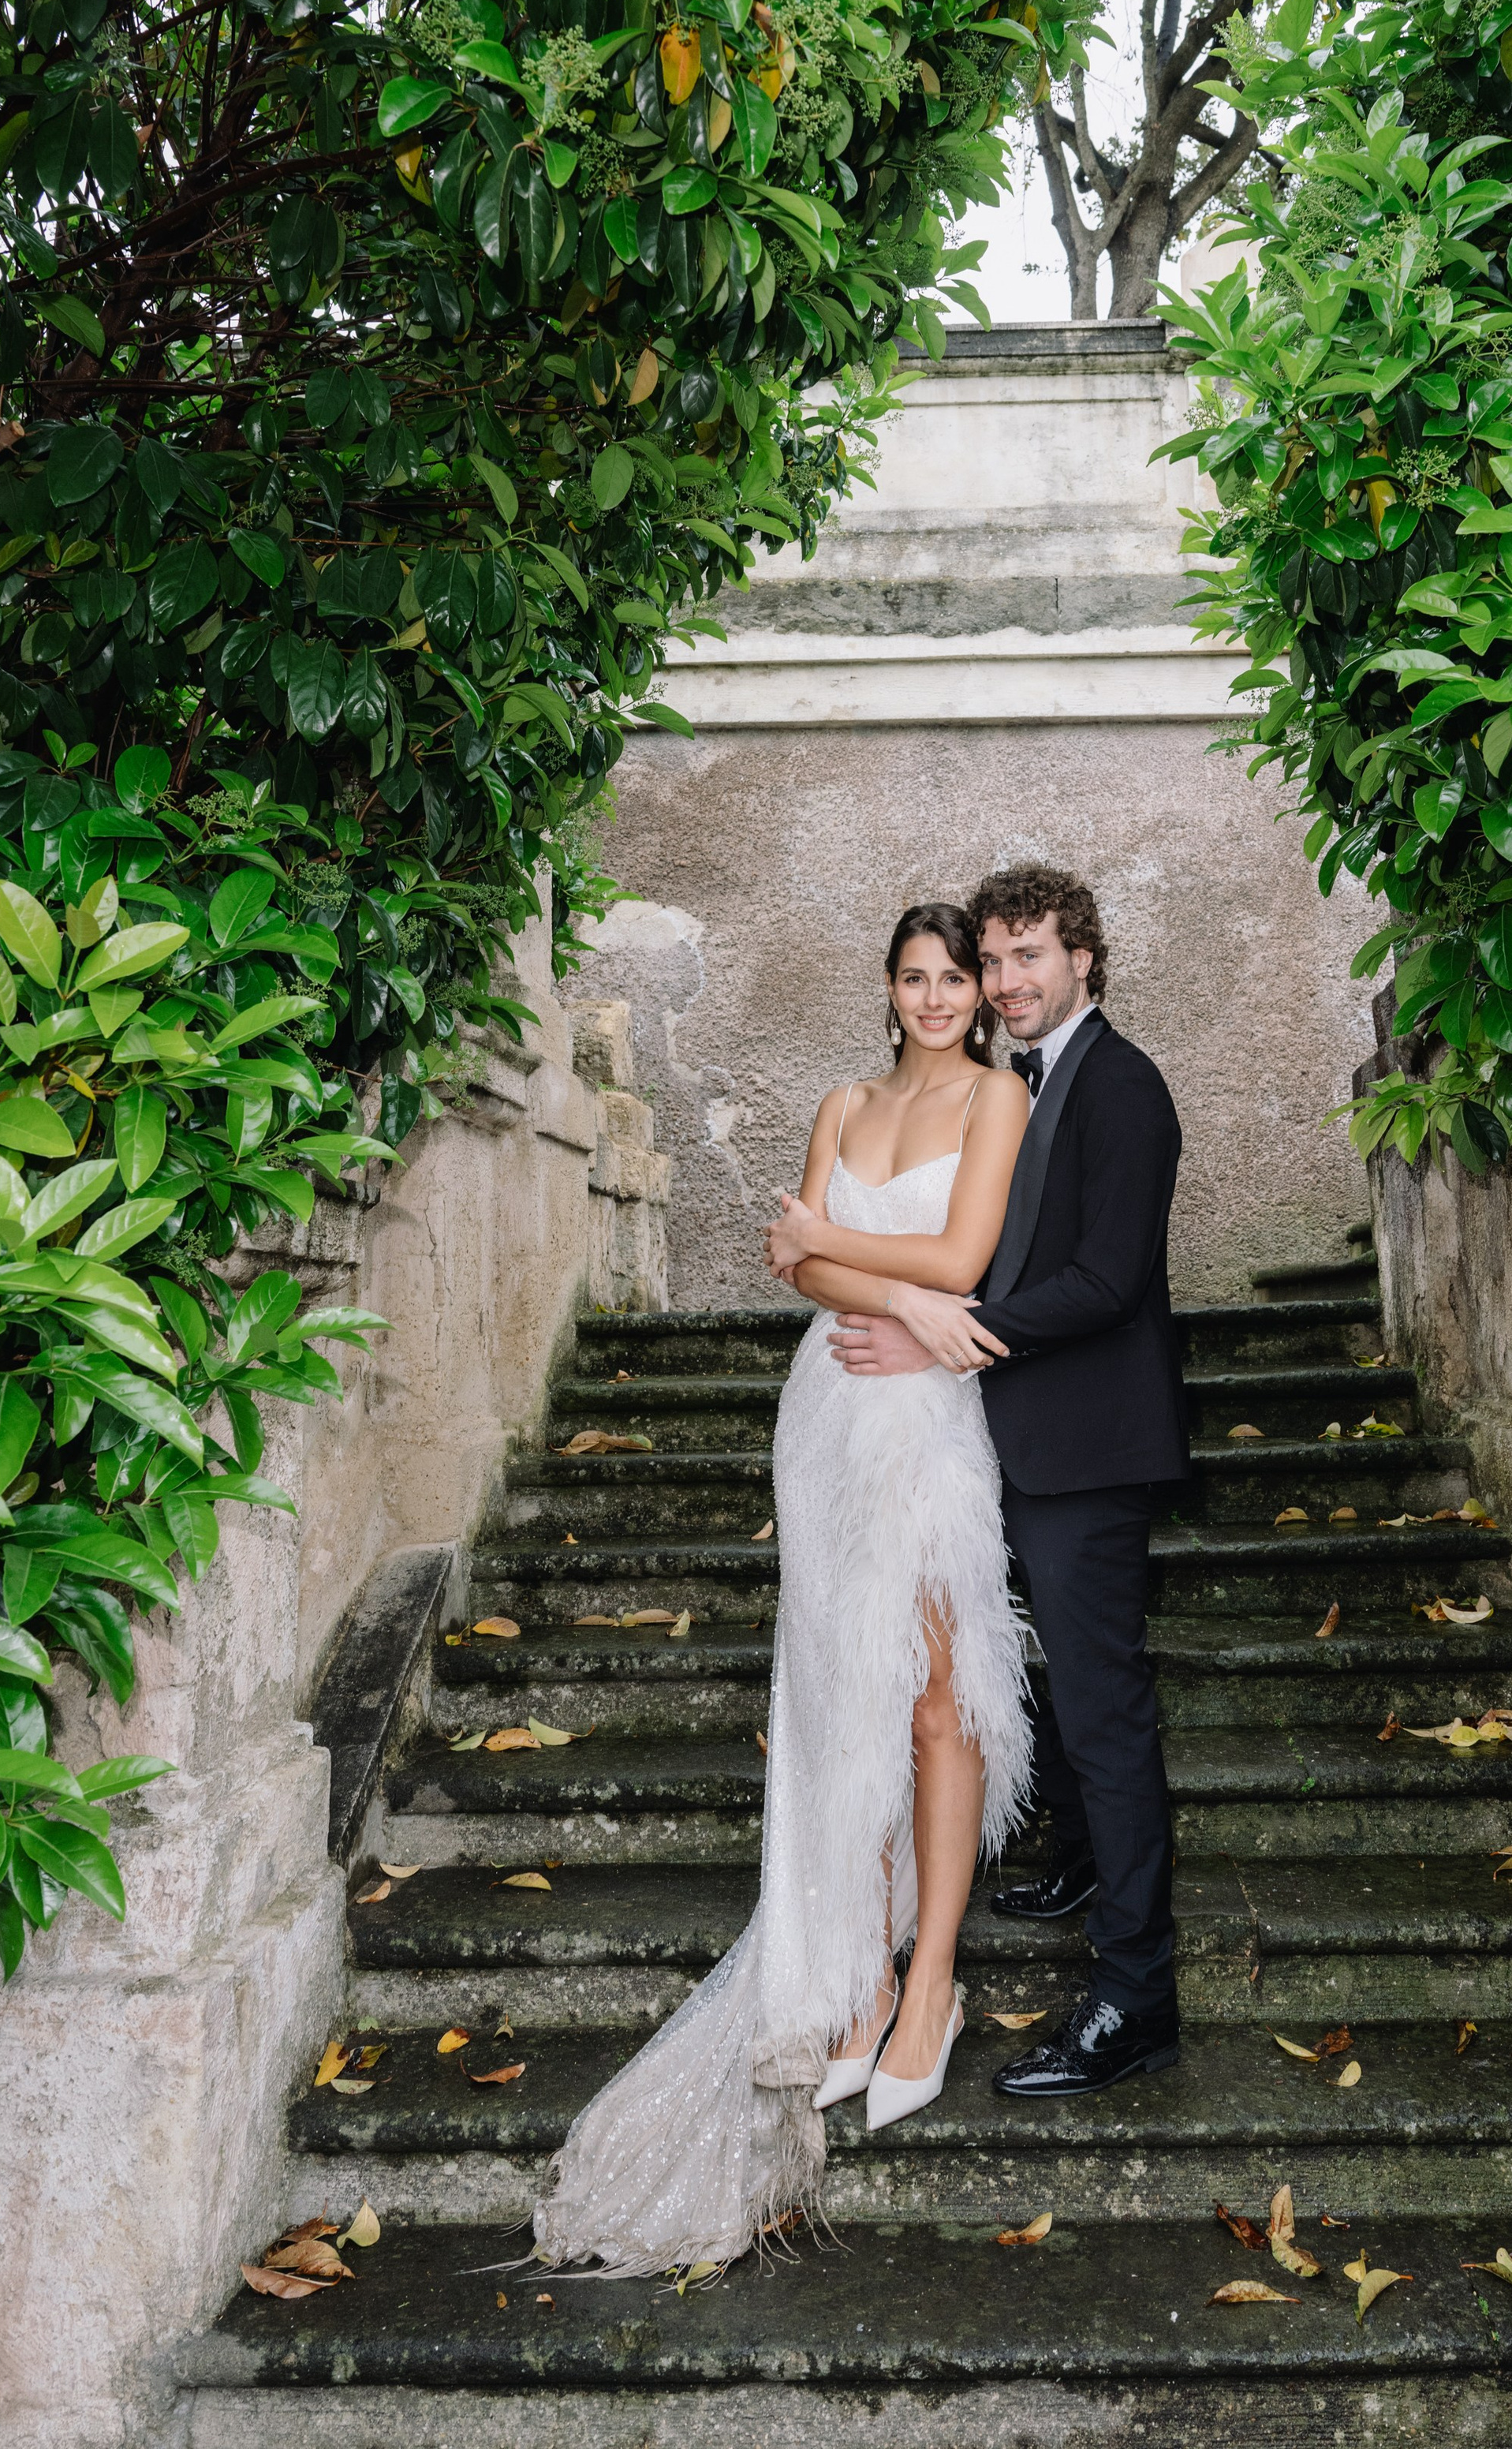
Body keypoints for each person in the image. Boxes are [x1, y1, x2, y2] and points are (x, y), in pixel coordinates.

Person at [532, 903, 1032, 2279]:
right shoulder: (840, 1098)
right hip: (826, 1413)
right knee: (844, 1702)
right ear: (887, 990)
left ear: (977, 1002)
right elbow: (783, 1262)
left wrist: (909, 1299)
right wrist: (889, 1289)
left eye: (955, 981)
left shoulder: (999, 1098)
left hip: (925, 1417)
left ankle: (932, 1977)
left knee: (939, 1699)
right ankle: (860, 1980)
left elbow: (959, 1264)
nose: (937, 998)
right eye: (916, 978)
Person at [825, 866, 1187, 2101]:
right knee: (1054, 1683)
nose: (1006, 982)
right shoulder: (1023, 1085)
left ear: (1083, 957)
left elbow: (1108, 1284)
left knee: (1104, 1710)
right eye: (993, 960)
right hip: (1015, 1441)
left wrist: (939, 1327)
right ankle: (1081, 1860)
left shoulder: (1123, 1087)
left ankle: (1136, 1998)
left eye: (1030, 955)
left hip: (1092, 1448)